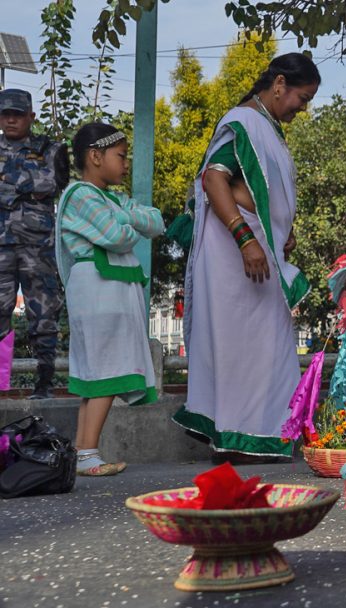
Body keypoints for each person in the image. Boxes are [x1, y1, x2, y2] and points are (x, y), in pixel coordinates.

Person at [173, 53, 320, 462]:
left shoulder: (267, 129)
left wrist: (277, 234)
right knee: (243, 350)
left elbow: (260, 193)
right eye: (302, 98)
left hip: (257, 256)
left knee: (267, 349)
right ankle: (242, 435)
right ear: (278, 85)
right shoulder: (241, 121)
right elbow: (214, 178)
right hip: (235, 259)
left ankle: (258, 435)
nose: (302, 109)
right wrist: (246, 239)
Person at [55, 123, 164, 475]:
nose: (126, 163)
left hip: (111, 289)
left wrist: (124, 214)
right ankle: (87, 452)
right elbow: (118, 237)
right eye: (120, 155)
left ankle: (82, 452)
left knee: (98, 373)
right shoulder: (80, 195)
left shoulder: (111, 199)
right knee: (105, 370)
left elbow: (157, 221)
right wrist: (130, 218)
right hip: (97, 292)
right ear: (95, 156)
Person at [0, 89, 69, 399]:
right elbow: (39, 184)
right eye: (5, 114)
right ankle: (2, 387)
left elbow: (55, 182)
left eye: (17, 113)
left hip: (37, 247)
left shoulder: (51, 149)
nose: (10, 119)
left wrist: (12, 183)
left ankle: (44, 384)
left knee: (44, 317)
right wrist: (29, 185)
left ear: (31, 116)